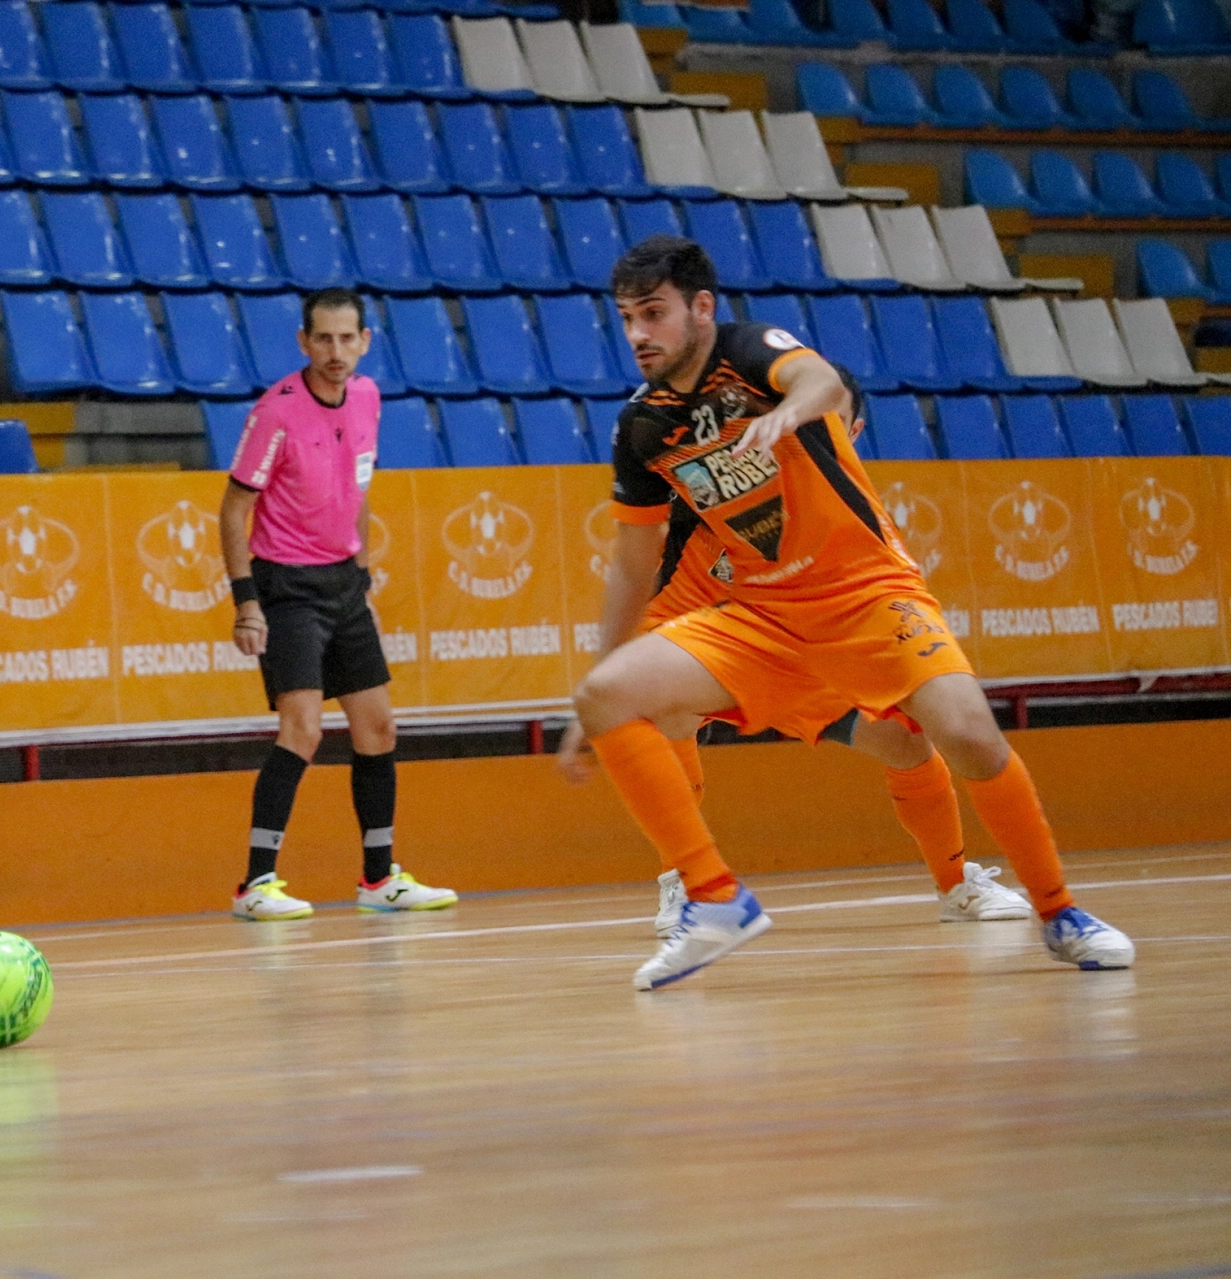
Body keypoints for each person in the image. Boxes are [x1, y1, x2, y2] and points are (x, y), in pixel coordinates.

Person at [569, 234, 1133, 990]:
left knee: (964, 735)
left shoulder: (753, 350)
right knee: (606, 695)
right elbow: (634, 557)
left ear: (700, 309)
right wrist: (605, 666)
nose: (638, 333)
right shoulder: (642, 426)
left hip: (867, 595)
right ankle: (707, 893)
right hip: (762, 619)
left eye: (654, 313)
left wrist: (791, 412)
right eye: (627, 317)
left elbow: (820, 380)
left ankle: (1058, 910)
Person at [560, 385, 1031, 937]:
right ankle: (686, 885)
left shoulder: (842, 505)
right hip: (719, 655)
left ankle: (955, 884)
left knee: (905, 741)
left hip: (809, 654)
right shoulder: (705, 493)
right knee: (665, 715)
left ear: (847, 435)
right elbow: (643, 582)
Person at [220, 287, 457, 921]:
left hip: (344, 582)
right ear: (304, 342)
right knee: (301, 729)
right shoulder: (276, 412)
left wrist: (363, 575)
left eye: (346, 338)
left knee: (378, 728)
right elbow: (235, 509)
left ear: (364, 341)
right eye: (322, 339)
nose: (335, 351)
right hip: (286, 586)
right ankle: (256, 884)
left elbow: (360, 482)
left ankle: (379, 880)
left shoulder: (370, 398)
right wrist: (247, 604)